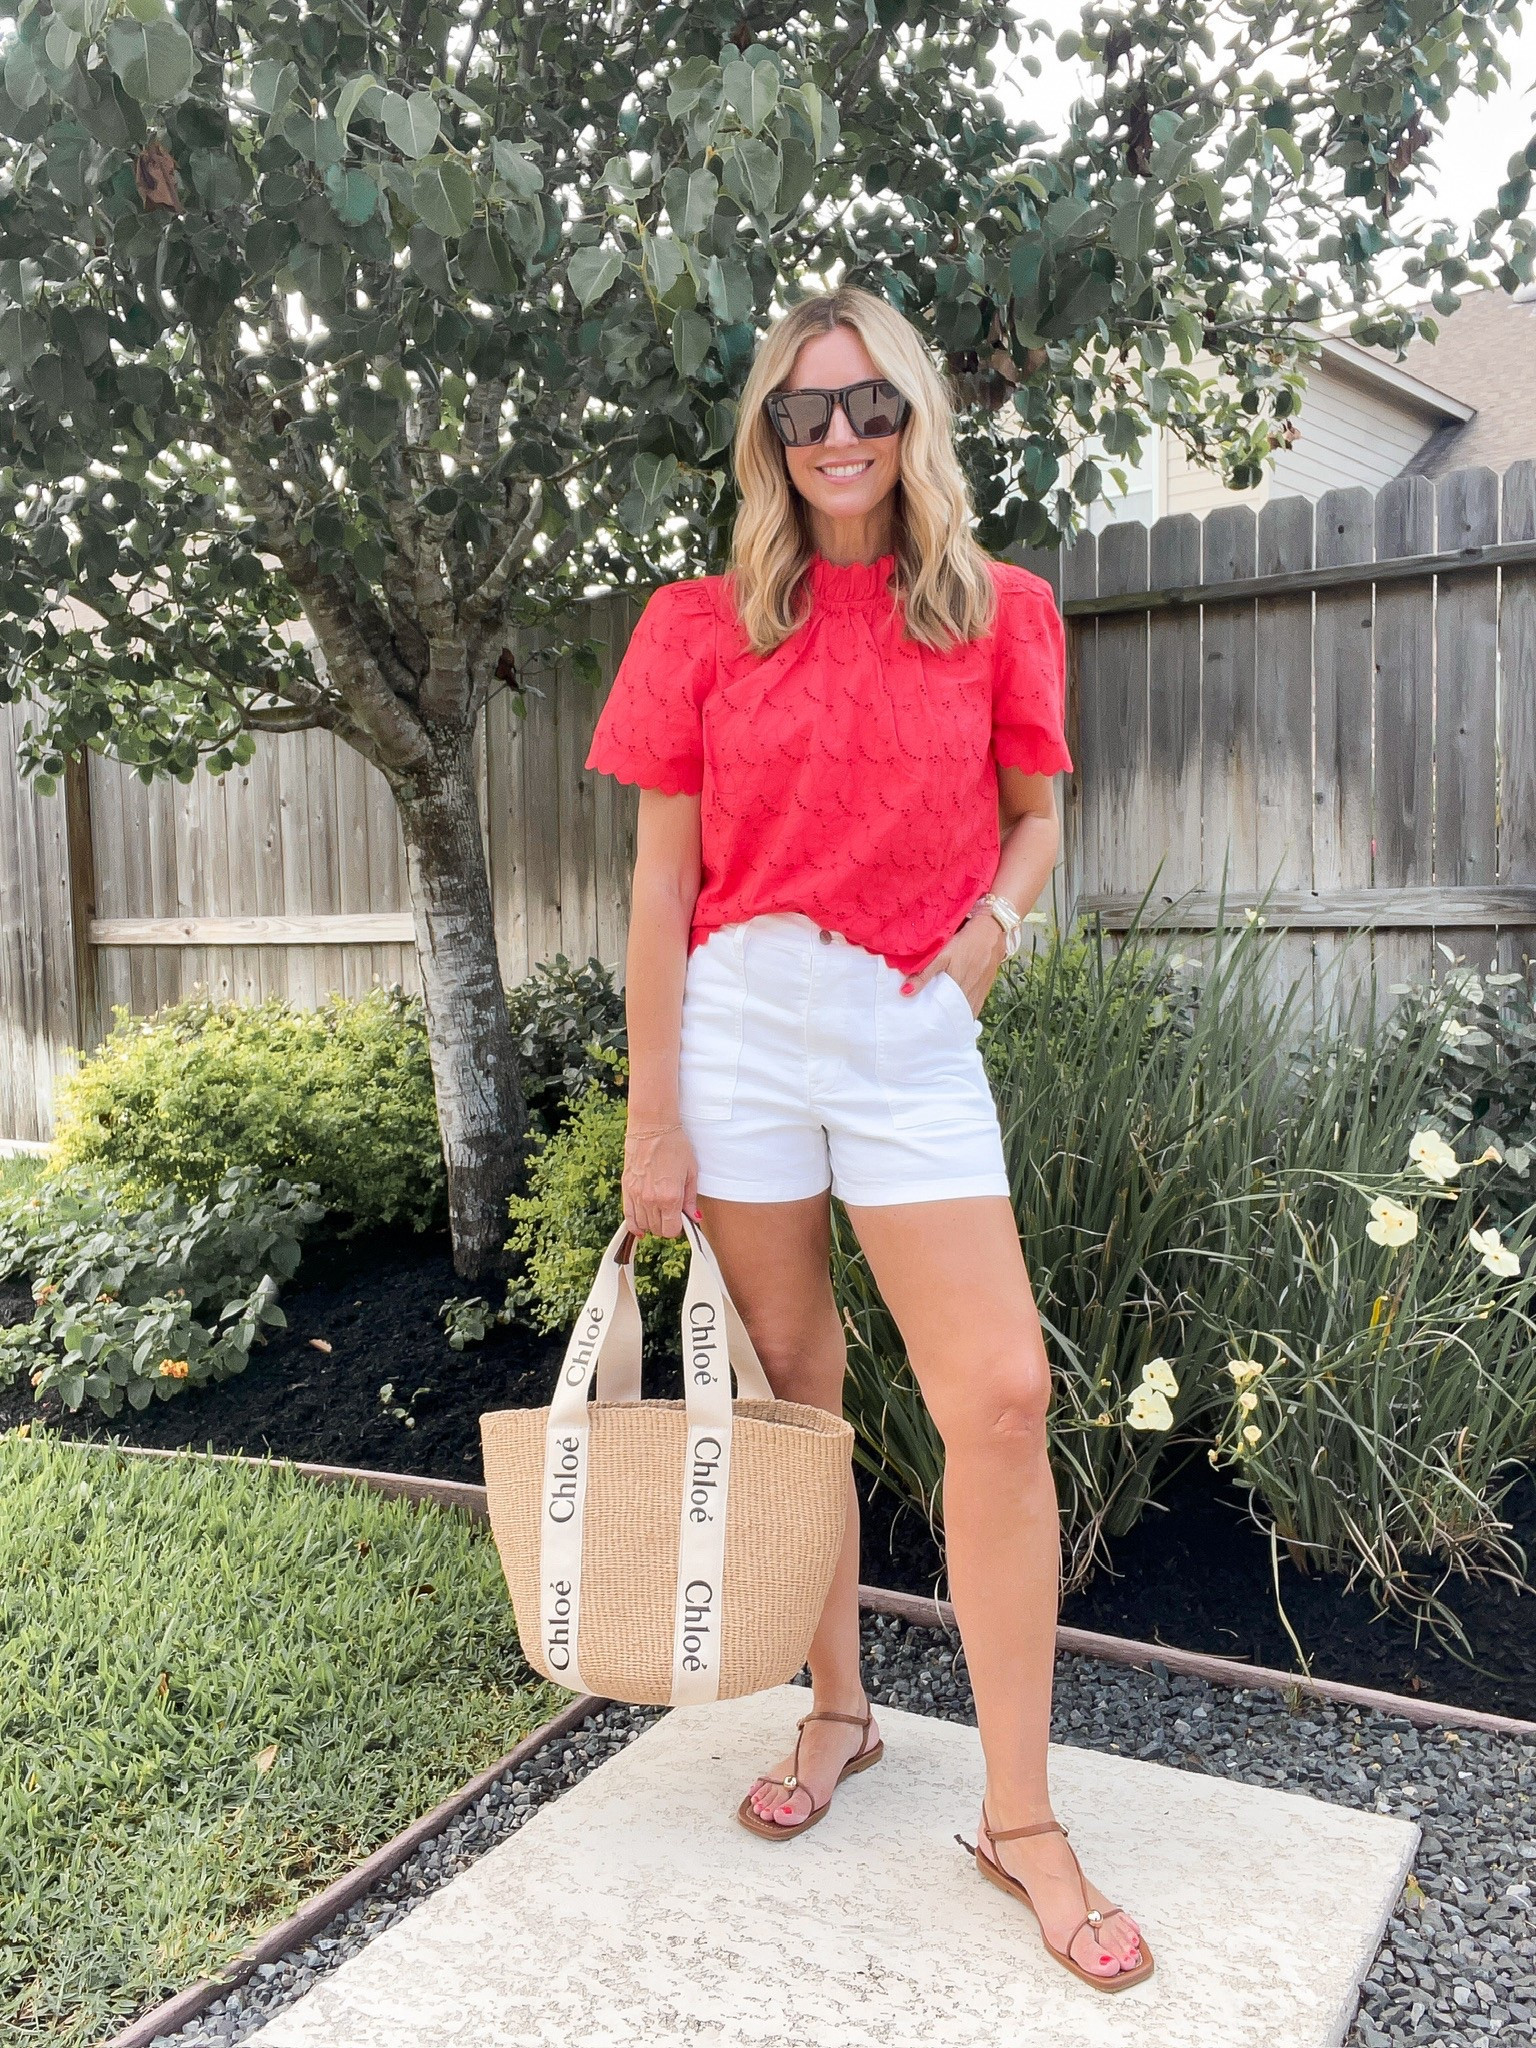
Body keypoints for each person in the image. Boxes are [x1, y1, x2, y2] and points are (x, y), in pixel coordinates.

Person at [583, 284, 1150, 1990]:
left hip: (909, 1025)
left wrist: (983, 946)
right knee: (796, 1390)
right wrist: (652, 1123)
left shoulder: (1003, 608)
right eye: (805, 411)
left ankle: (1022, 1816)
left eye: (871, 405)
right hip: (741, 1020)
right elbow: (660, 887)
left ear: (918, 419)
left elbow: (1038, 823)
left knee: (1000, 1393)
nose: (840, 436)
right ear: (769, 437)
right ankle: (841, 1713)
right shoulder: (698, 625)